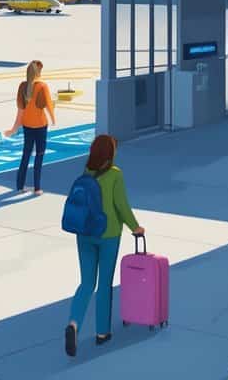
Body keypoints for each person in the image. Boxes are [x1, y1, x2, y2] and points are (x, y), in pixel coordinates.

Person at [65, 134, 144, 358]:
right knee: (104, 284)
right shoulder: (115, 175)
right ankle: (102, 333)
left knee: (86, 283)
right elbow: (121, 206)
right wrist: (135, 227)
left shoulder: (86, 172)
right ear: (110, 154)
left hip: (85, 233)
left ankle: (74, 323)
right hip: (108, 234)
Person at [4, 60, 56, 194]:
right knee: (39, 155)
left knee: (25, 155)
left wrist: (14, 128)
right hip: (40, 125)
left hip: (27, 125)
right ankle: (37, 187)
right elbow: (49, 106)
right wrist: (53, 118)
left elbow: (20, 110)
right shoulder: (42, 86)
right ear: (39, 72)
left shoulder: (22, 86)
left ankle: (20, 186)